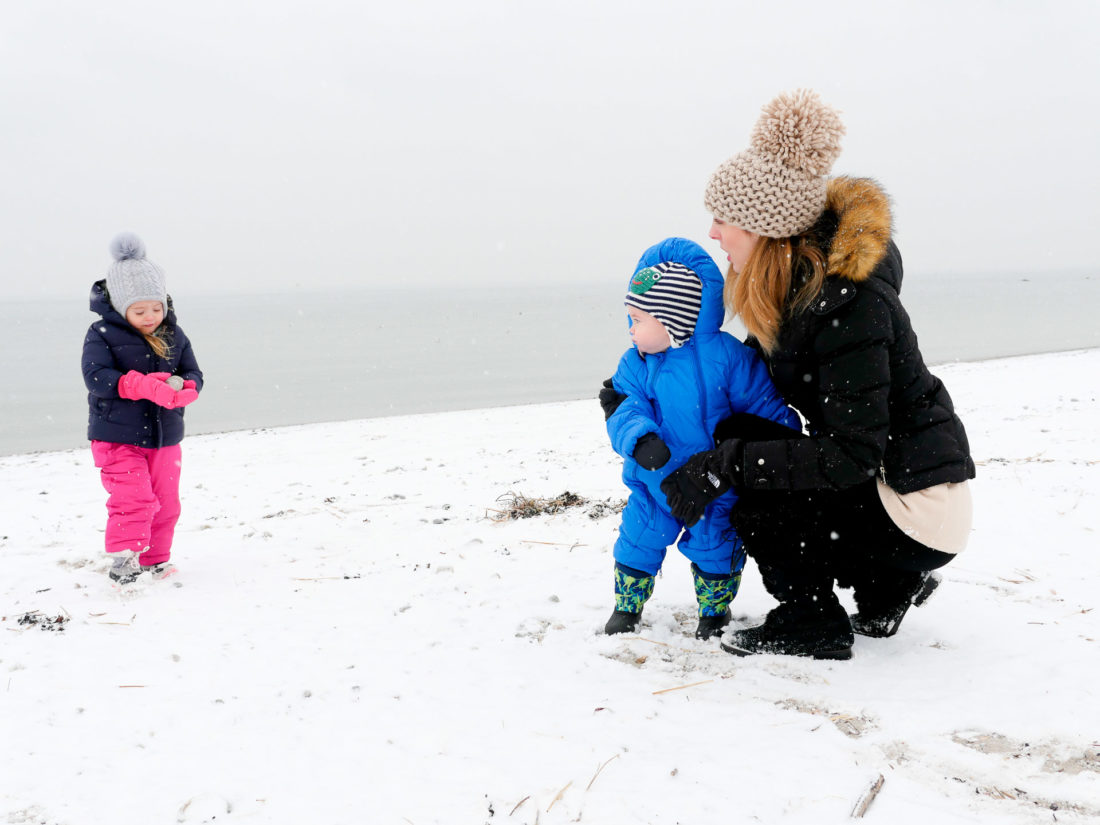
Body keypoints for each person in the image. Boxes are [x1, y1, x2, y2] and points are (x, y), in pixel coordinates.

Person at [661, 90, 975, 660]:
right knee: (747, 433)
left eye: (725, 220)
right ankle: (887, 587)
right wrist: (647, 376)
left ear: (765, 231)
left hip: (918, 507)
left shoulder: (848, 307)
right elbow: (748, 385)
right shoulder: (796, 294)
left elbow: (851, 456)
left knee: (756, 478)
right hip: (895, 485)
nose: (713, 233)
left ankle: (811, 622)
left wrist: (725, 464)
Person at [601, 237, 799, 639]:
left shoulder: (728, 358)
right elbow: (624, 406)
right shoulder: (635, 364)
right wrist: (640, 439)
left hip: (712, 485)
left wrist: (783, 435)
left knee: (716, 547)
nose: (630, 329)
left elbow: (761, 403)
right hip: (652, 481)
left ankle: (713, 612)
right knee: (638, 539)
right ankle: (627, 605)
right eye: (629, 317)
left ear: (673, 319)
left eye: (638, 319)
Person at [82, 232, 203, 584]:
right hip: (116, 436)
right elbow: (97, 377)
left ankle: (155, 560)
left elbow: (192, 372)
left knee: (165, 501)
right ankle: (124, 559)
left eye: (155, 308)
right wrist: (142, 386)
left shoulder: (174, 335)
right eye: (139, 310)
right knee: (134, 497)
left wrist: (187, 389)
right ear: (121, 307)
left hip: (165, 436)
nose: (149, 316)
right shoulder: (101, 333)